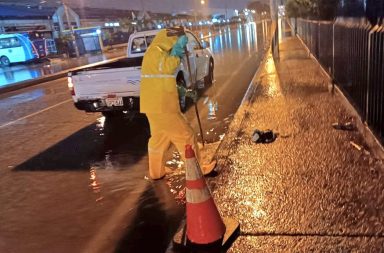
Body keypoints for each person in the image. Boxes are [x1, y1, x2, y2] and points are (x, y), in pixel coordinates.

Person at [140, 27, 216, 180]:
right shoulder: (156, 53)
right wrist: (177, 50)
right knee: (186, 136)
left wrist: (183, 91)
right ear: (169, 40)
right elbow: (168, 67)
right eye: (176, 42)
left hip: (153, 106)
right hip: (164, 107)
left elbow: (161, 80)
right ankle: (198, 170)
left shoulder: (155, 53)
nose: (180, 47)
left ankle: (156, 171)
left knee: (158, 140)